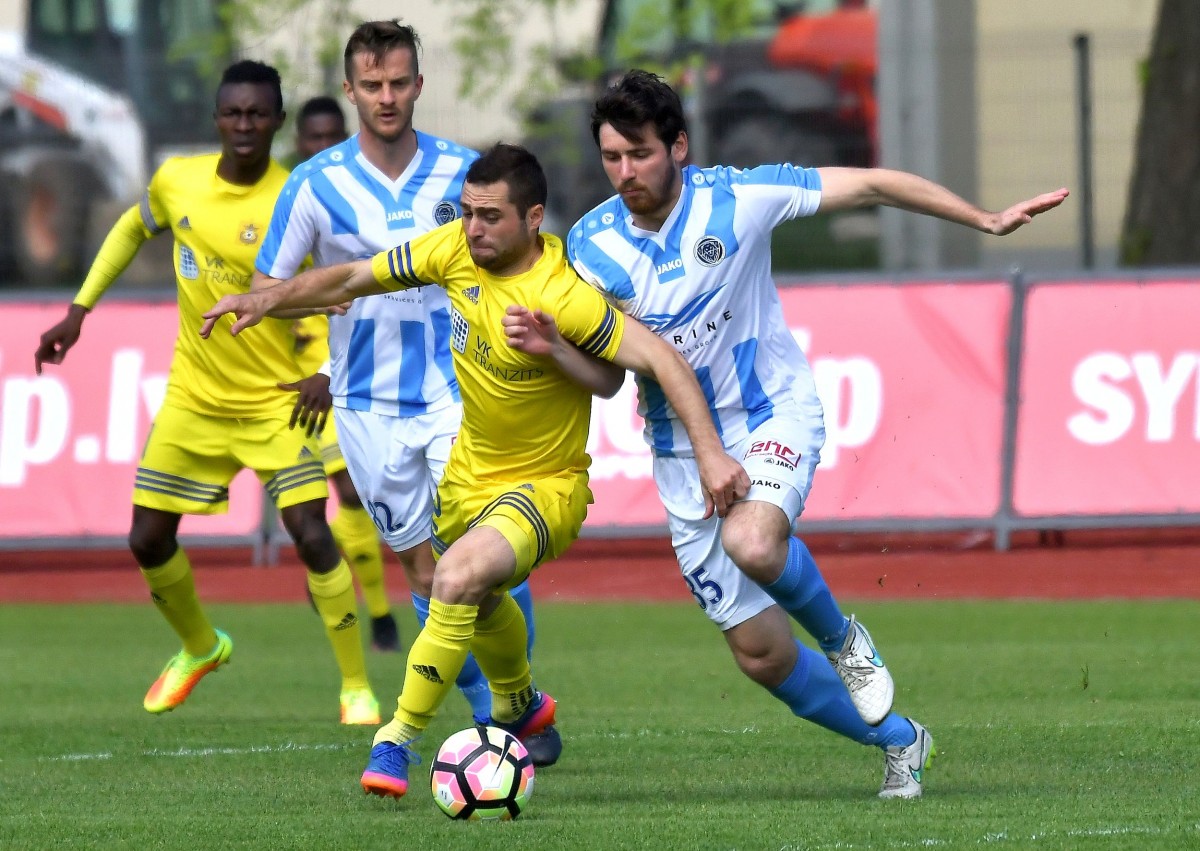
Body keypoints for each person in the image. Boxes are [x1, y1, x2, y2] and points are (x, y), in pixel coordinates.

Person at [555, 69, 1069, 799]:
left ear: (679, 146)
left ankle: (844, 641)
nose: (625, 171)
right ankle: (902, 741)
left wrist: (983, 220)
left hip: (772, 414)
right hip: (680, 454)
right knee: (761, 655)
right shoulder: (587, 246)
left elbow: (872, 185)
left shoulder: (740, 198)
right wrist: (549, 349)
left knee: (753, 541)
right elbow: (609, 379)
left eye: (640, 153)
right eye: (612, 157)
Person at [200, 142, 750, 801]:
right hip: (466, 480)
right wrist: (268, 299)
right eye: (466, 212)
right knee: (472, 594)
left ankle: (396, 739)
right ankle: (519, 700)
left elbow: (657, 361)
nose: (473, 228)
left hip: (545, 486)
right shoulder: (453, 251)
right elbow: (349, 280)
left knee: (455, 579)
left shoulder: (562, 294)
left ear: (533, 218)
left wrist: (710, 452)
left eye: (490, 216)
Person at [32, 60, 382, 727]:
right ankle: (200, 647)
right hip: (194, 400)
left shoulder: (300, 197)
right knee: (146, 539)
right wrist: (79, 310)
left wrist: (327, 371)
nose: (245, 125)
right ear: (217, 118)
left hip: (276, 402)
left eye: (258, 114)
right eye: (234, 113)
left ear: (277, 122)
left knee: (312, 534)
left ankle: (356, 687)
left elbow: (348, 289)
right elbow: (131, 228)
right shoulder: (177, 181)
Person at [250, 20, 560, 764]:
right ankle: (504, 704)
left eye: (397, 82)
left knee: (483, 554)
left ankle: (497, 712)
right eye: (372, 85)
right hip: (366, 405)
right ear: (350, 89)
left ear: (419, 84)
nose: (386, 97)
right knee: (423, 570)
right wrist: (314, 297)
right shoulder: (314, 183)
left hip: (462, 392)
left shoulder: (462, 174)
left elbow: (518, 254)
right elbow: (268, 287)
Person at [279, 94, 401, 652]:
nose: (323, 145)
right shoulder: (290, 201)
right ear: (299, 141)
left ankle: (371, 603)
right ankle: (372, 609)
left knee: (357, 495)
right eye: (315, 137)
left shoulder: (358, 205)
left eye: (333, 136)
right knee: (336, 501)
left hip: (350, 368)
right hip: (291, 382)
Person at [281, 95, 348, 170]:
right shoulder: (287, 177)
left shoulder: (358, 176)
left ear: (346, 139)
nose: (325, 146)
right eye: (316, 138)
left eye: (333, 136)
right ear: (299, 143)